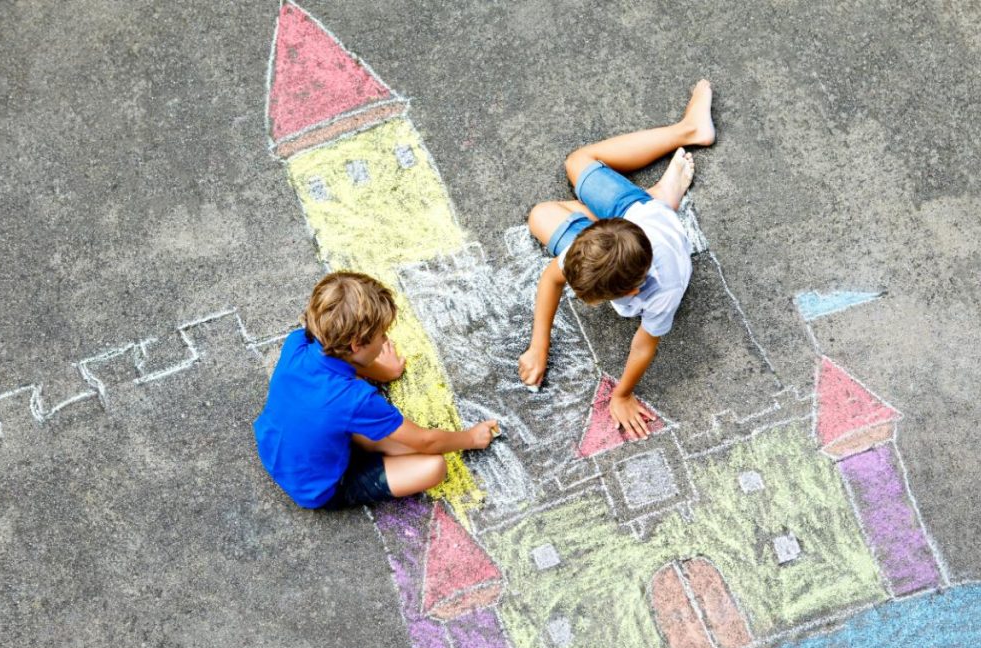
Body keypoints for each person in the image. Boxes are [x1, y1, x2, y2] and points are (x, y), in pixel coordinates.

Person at [518, 80, 715, 440]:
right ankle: (669, 174)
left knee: (559, 197)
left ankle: (677, 161)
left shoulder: (662, 291)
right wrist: (538, 345)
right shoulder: (592, 251)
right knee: (569, 175)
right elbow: (552, 277)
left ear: (633, 289)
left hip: (647, 223)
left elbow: (644, 344)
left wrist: (621, 394)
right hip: (633, 217)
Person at [254, 271, 498, 509]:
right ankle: (363, 453)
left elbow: (346, 362)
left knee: (373, 429)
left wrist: (387, 372)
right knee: (434, 466)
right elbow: (427, 440)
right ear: (356, 344)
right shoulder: (354, 399)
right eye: (382, 335)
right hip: (319, 488)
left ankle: (366, 443)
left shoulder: (296, 343)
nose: (384, 341)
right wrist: (471, 438)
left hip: (274, 451)